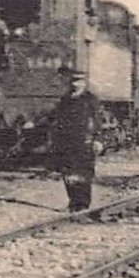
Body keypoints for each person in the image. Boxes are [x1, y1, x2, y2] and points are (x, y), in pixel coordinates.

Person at [51, 70, 102, 212]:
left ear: (84, 83)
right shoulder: (65, 99)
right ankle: (73, 202)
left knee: (84, 173)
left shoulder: (90, 99)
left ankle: (84, 203)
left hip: (85, 140)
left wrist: (98, 139)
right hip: (67, 141)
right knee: (69, 173)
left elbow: (97, 121)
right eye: (73, 81)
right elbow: (57, 118)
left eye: (79, 81)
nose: (75, 84)